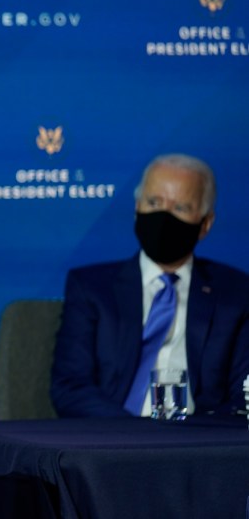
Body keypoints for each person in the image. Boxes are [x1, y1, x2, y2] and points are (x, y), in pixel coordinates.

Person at [51, 153, 249, 418]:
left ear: (205, 224)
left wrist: (197, 435)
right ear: (137, 208)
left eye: (180, 208)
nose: (164, 217)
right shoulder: (91, 289)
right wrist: (134, 434)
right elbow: (70, 387)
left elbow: (243, 395)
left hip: (198, 446)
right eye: (154, 203)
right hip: (112, 442)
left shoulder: (235, 294)